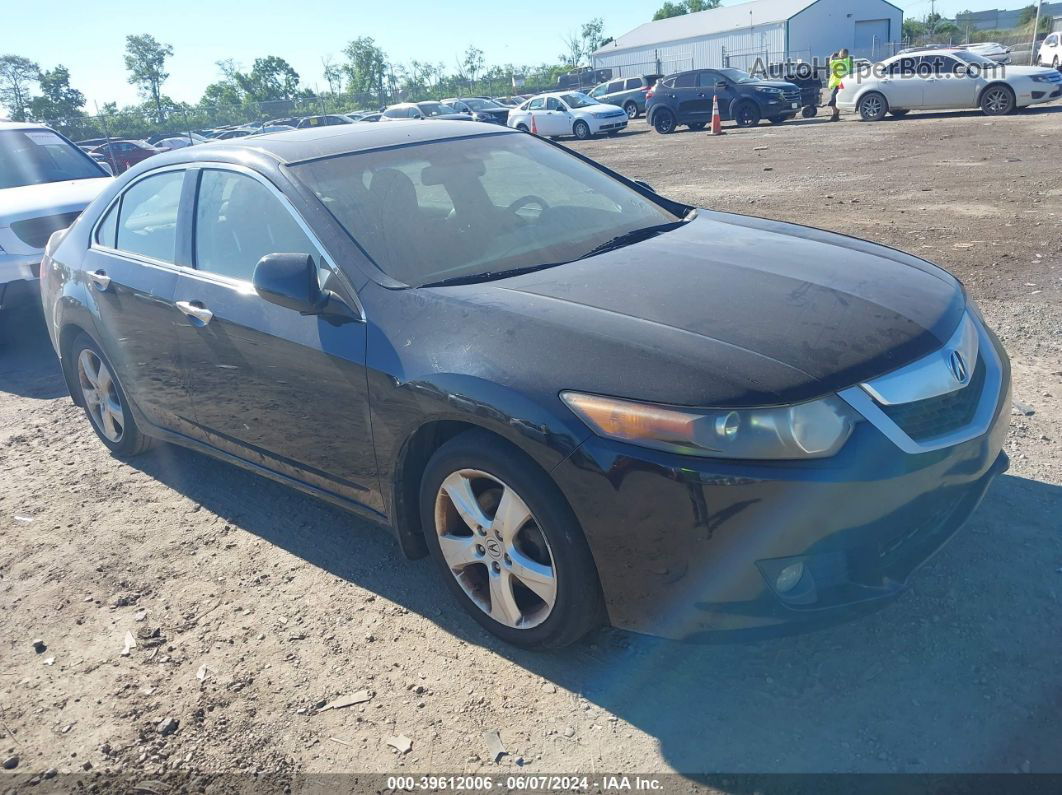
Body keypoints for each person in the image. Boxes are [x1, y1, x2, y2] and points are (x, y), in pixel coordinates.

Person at [826, 48, 853, 122]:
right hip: (843, 84)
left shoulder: (839, 62)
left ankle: (835, 116)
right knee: (837, 100)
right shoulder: (848, 61)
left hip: (838, 84)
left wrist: (832, 56)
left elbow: (830, 63)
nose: (839, 55)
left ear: (842, 54)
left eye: (840, 53)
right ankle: (836, 115)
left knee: (832, 101)